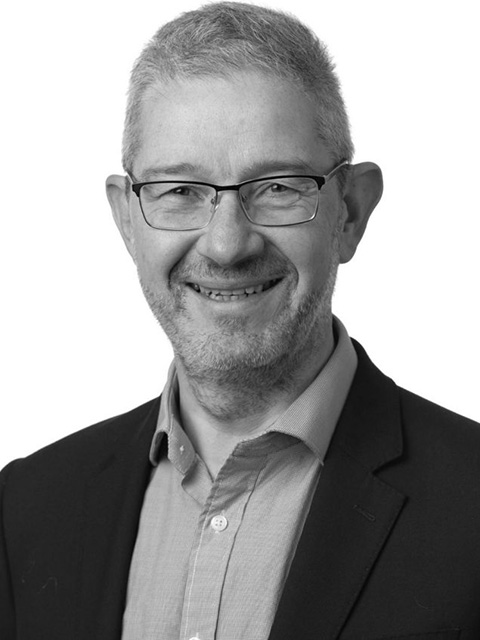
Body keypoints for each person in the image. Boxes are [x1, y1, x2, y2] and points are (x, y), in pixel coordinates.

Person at [1, 2, 479, 638]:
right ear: (126, 220)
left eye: (278, 187)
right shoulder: (25, 510)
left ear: (351, 213)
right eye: (179, 191)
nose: (227, 246)